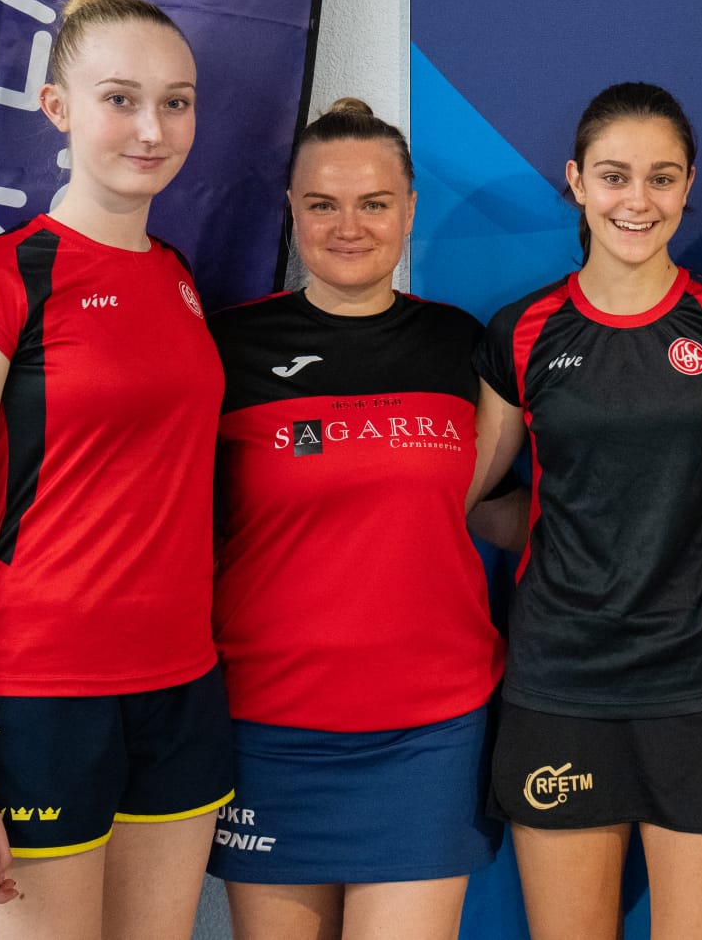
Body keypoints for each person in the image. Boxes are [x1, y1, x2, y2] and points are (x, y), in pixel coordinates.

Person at [0, 0, 232, 940]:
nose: (152, 128)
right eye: (120, 99)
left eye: (175, 102)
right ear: (58, 108)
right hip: (40, 698)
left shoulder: (177, 278)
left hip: (180, 688)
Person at [468, 82, 702, 940]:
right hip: (561, 682)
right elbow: (468, 494)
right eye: (613, 176)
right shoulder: (523, 332)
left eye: (660, 178)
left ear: (689, 187)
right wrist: (543, 522)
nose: (636, 200)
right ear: (574, 180)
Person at [204, 98, 520, 939]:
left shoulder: (467, 346)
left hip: (431, 729)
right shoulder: (227, 347)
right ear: (292, 209)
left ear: (408, 208)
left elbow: (496, 508)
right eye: (323, 203)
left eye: (374, 203)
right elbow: (156, 506)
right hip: (268, 726)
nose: (349, 226)